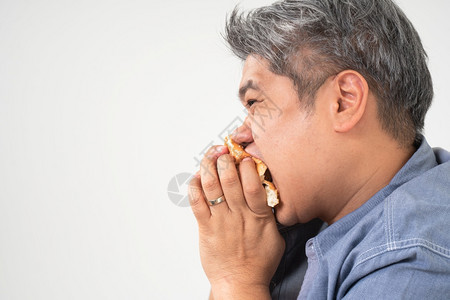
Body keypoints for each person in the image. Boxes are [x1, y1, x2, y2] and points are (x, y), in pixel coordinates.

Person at [188, 0, 450, 299]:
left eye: (255, 103)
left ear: (344, 101)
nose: (239, 136)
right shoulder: (316, 218)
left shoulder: (413, 260)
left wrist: (236, 280)